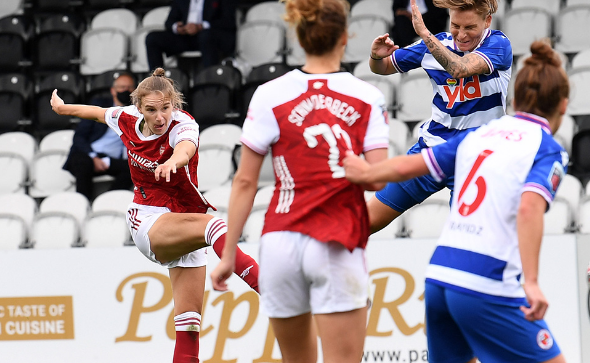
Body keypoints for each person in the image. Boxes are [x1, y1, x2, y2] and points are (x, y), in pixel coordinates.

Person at [343, 40, 568, 363]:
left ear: (515, 99)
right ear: (563, 105)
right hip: (486, 281)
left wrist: (369, 172)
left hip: (440, 277)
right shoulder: (547, 149)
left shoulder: (477, 136)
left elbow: (413, 163)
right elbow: (530, 207)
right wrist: (531, 282)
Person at [210, 0, 389, 362]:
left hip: (279, 242)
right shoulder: (368, 96)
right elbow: (376, 181)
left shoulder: (268, 93)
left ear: (299, 37)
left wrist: (229, 254)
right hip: (336, 242)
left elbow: (245, 182)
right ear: (345, 37)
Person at [50, 68, 259, 363]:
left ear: (174, 104)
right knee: (214, 226)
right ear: (139, 109)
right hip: (148, 218)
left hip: (184, 221)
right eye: (152, 110)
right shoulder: (127, 119)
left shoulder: (183, 124)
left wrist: (173, 160)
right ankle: (272, 292)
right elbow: (97, 113)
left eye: (166, 108)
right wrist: (62, 108)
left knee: (188, 327)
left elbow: (185, 149)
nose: (160, 117)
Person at [367, 0, 512, 235]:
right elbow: (382, 67)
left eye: (470, 28)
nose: (461, 35)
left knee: (466, 239)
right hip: (433, 150)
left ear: (487, 21)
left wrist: (424, 34)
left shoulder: (498, 44)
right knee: (366, 221)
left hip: (476, 159)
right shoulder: (436, 44)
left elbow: (460, 68)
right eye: (456, 25)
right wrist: (375, 56)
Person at [63, 73, 136, 201]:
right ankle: (84, 203)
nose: (126, 91)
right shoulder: (99, 107)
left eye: (130, 88)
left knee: (134, 169)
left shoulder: (138, 112)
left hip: (113, 159)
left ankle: (107, 202)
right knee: (83, 163)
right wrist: (93, 157)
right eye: (122, 87)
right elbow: (79, 137)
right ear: (113, 91)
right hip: (90, 154)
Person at [145, 0, 237, 71]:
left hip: (210, 38)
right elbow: (169, 22)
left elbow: (228, 22)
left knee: (206, 36)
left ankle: (210, 80)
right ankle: (157, 82)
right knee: (152, 38)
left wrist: (201, 26)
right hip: (185, 38)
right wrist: (177, 27)